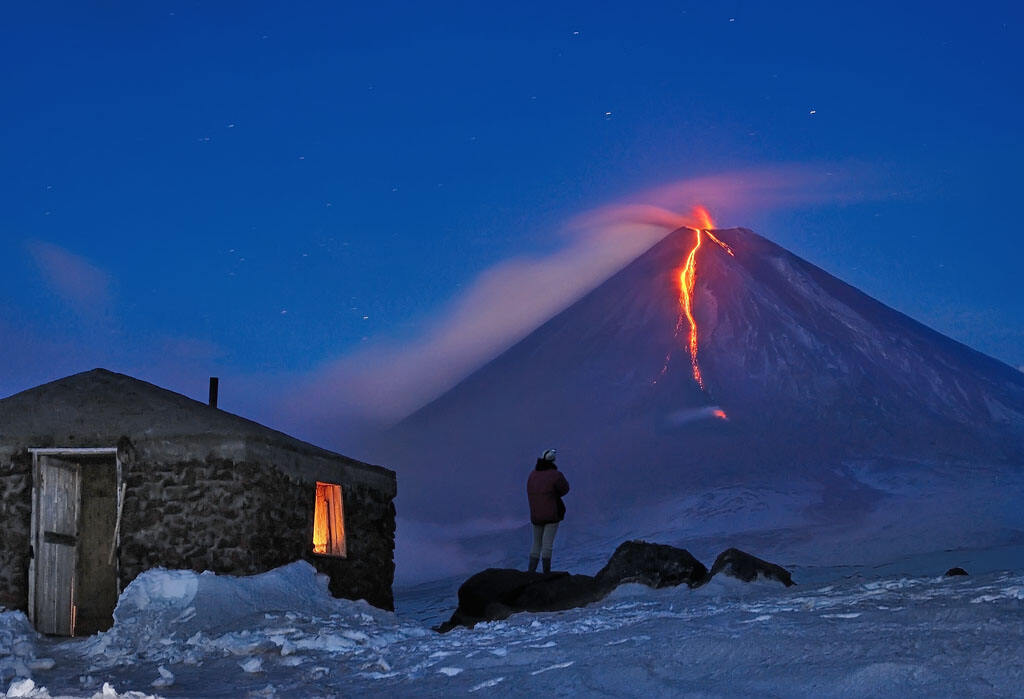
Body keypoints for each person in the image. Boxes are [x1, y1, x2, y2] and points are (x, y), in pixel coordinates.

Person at [526, 448, 570, 573]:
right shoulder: (555, 475)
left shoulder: (532, 475)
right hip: (551, 514)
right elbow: (565, 489)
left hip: (535, 515)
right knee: (547, 544)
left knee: (536, 543)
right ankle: (546, 572)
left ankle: (531, 571)